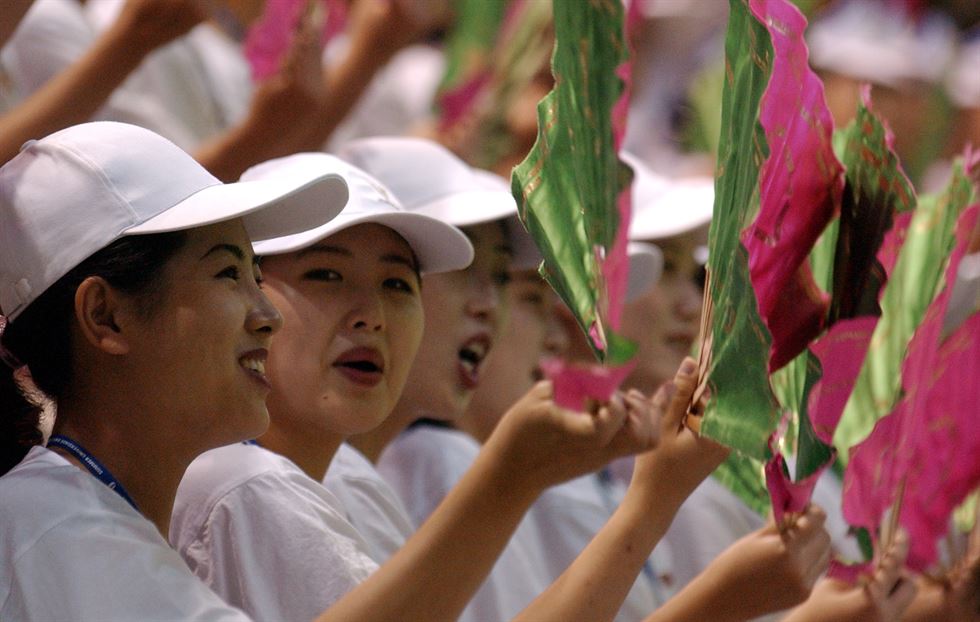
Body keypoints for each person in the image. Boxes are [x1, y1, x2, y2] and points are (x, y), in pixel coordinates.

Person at [0, 120, 349, 620]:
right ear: (105, 315)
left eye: (256, 274)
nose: (269, 316)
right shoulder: (58, 529)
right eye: (228, 273)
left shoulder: (60, 514)